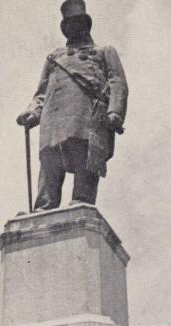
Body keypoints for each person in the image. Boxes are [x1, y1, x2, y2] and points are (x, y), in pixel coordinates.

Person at [17, 0, 128, 212]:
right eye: (68, 24)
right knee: (50, 160)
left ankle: (82, 202)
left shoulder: (104, 51)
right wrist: (33, 113)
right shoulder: (54, 58)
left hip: (87, 116)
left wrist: (115, 112)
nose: (72, 28)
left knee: (85, 157)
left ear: (86, 25)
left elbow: (118, 83)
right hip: (53, 119)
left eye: (77, 23)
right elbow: (41, 93)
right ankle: (43, 208)